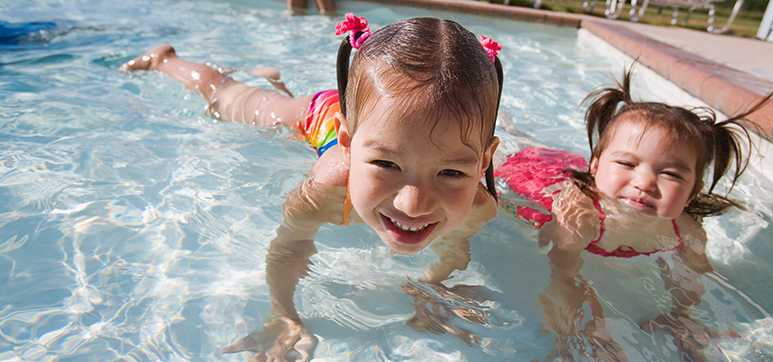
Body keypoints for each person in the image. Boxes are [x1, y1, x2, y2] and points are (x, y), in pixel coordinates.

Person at [122, 14, 504, 361]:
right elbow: (289, 245)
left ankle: (282, 84)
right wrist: (283, 313)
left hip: (376, 120)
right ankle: (165, 60)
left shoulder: (479, 207)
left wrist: (433, 287)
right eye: (386, 165)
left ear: (483, 161)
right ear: (348, 142)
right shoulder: (326, 189)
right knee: (227, 98)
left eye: (451, 173)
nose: (413, 203)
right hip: (317, 116)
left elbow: (456, 245)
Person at [494, 70, 771, 361]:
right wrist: (577, 329)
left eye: (670, 173)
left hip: (581, 172)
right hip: (534, 176)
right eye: (627, 163)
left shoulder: (686, 230)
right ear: (596, 166)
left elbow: (694, 278)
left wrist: (682, 315)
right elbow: (563, 275)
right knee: (508, 154)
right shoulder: (584, 218)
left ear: (693, 190)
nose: (645, 182)